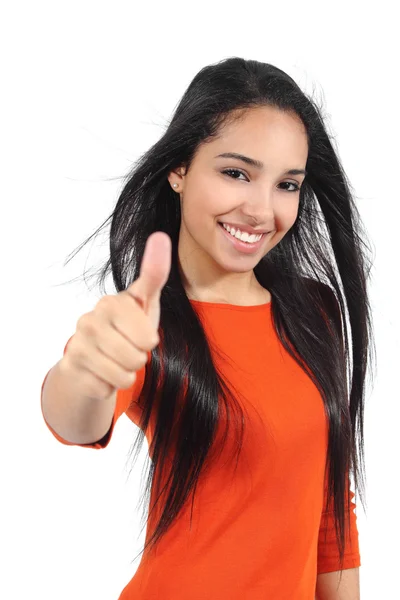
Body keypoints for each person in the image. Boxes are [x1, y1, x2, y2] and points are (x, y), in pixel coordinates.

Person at [40, 57, 375, 599]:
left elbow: (331, 507)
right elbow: (75, 419)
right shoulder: (145, 327)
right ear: (179, 169)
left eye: (287, 184)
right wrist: (84, 370)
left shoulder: (316, 313)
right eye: (236, 173)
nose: (262, 210)